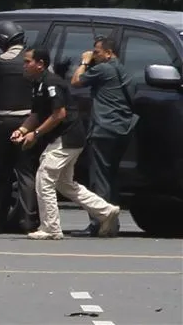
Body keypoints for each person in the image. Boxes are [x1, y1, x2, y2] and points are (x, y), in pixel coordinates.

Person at [14, 47, 120, 240]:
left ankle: (50, 227)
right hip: (66, 139)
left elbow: (59, 114)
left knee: (44, 176)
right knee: (65, 183)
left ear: (40, 64)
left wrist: (35, 134)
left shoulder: (51, 83)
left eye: (27, 61)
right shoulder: (38, 84)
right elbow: (36, 114)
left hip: (67, 137)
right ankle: (106, 211)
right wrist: (22, 130)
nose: (24, 65)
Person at [69, 36, 137, 237]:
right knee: (111, 176)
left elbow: (75, 81)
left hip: (103, 128)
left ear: (109, 53)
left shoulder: (103, 69)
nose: (94, 55)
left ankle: (98, 222)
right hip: (122, 128)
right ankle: (112, 222)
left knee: (99, 178)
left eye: (97, 52)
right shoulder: (125, 71)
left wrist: (84, 62)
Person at [0, 21, 40, 233]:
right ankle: (28, 220)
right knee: (26, 172)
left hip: (1, 121)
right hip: (26, 121)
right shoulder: (32, 61)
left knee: (1, 171)